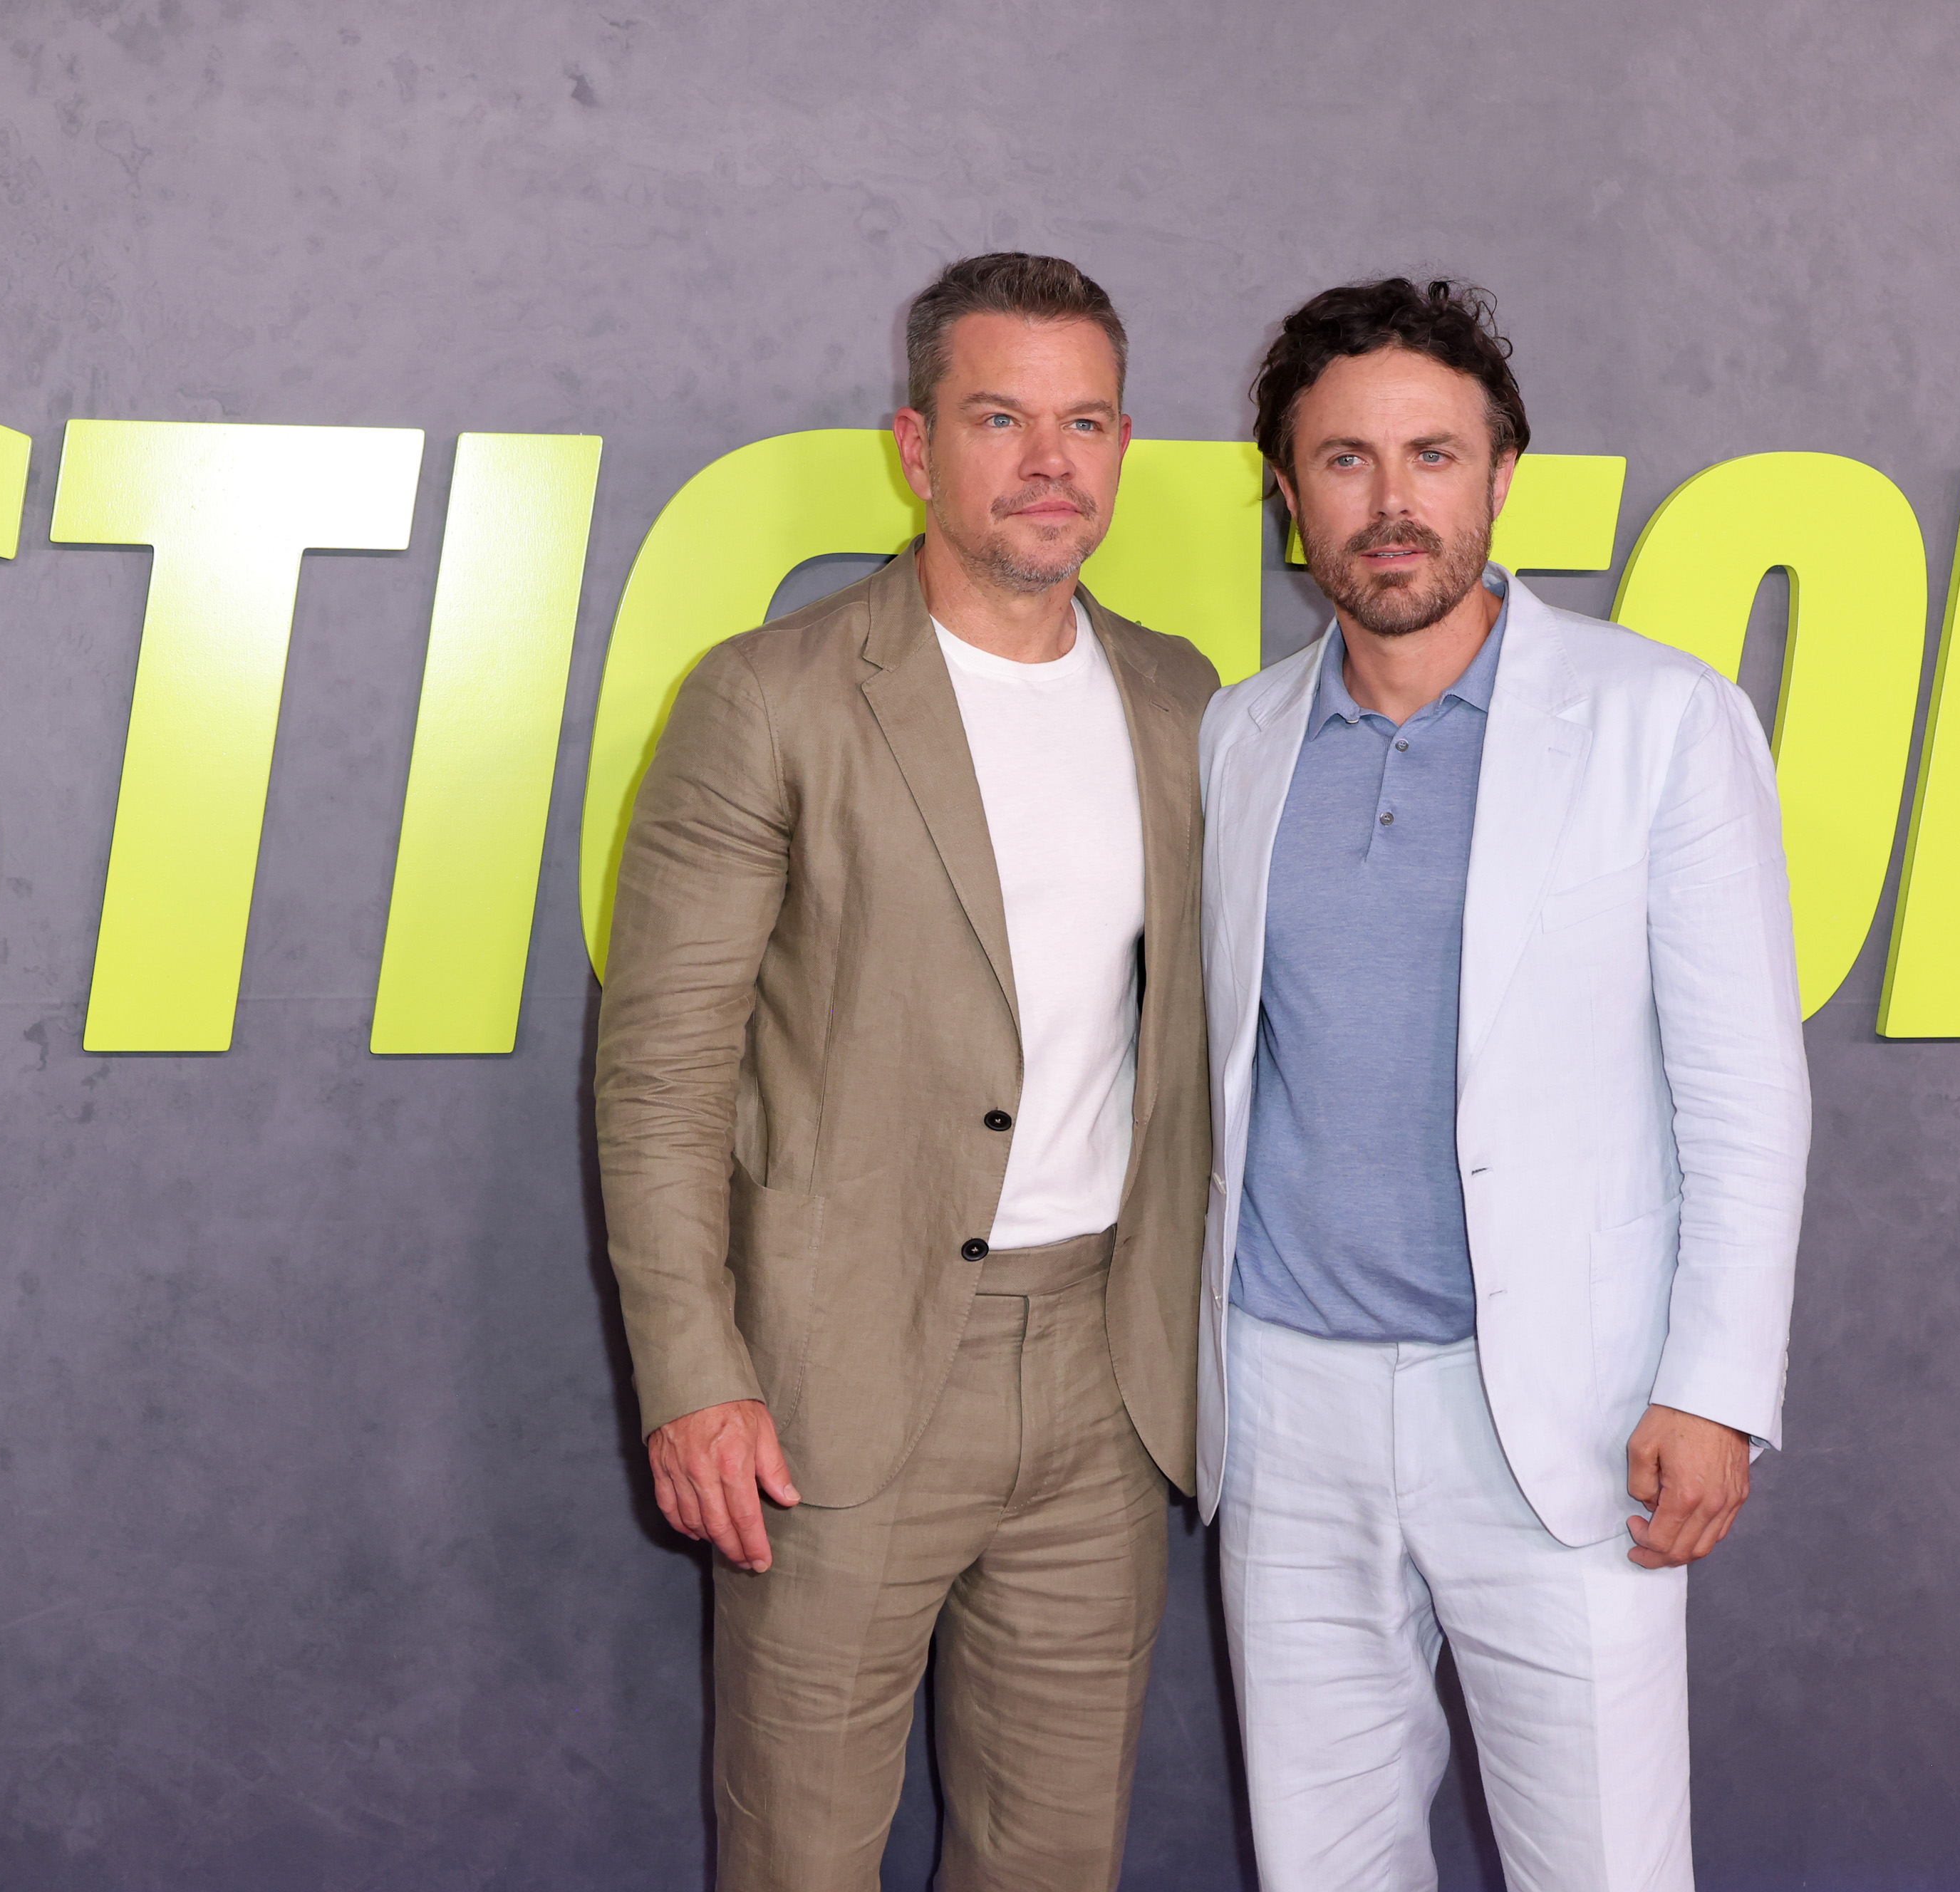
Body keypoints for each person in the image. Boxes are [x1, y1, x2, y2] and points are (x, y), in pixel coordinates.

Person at [593, 251, 1219, 1891]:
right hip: (832, 1377)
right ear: (914, 442)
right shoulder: (770, 698)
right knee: (798, 1857)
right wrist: (692, 1371)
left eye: (1085, 420)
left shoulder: (1182, 698)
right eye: (1000, 415)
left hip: (1104, 1376)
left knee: (1052, 1862)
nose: (1049, 460)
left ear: (1125, 445)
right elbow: (661, 1075)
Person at [1196, 277, 1812, 1891]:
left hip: (1563, 1408)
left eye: (1433, 455)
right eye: (1344, 460)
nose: (1393, 503)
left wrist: (1717, 1384)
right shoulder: (1234, 740)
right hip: (1284, 1397)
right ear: (1286, 490)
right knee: (1322, 1865)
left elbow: (1748, 1088)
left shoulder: (1661, 723)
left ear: (1501, 473)